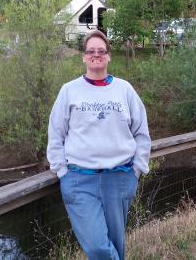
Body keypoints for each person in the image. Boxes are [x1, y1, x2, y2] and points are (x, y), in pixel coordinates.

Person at [47, 30, 151, 260]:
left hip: (120, 177)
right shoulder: (69, 91)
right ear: (84, 57)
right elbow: (55, 133)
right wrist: (61, 171)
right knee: (97, 247)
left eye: (101, 51)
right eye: (91, 51)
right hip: (79, 180)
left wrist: (136, 170)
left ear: (108, 56)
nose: (96, 55)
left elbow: (142, 133)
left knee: (116, 242)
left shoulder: (124, 90)